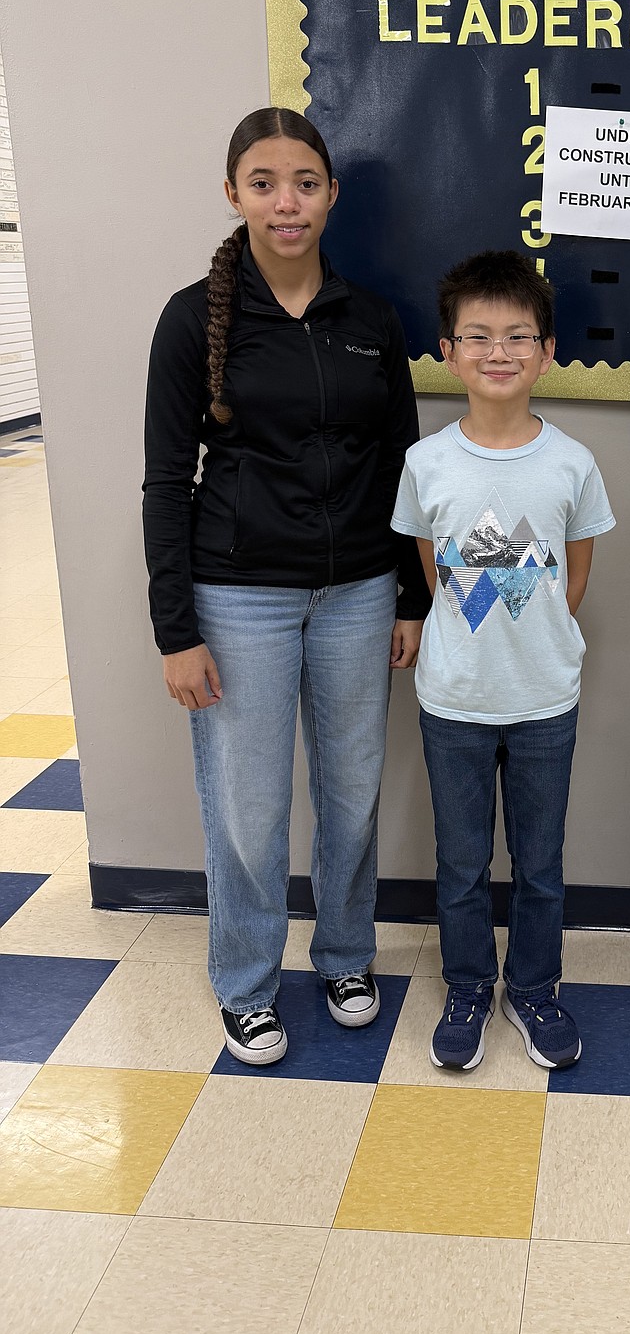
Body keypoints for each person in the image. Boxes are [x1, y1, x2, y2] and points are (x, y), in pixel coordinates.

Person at [143, 107, 428, 1066]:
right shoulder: (193, 320)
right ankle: (249, 983)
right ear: (234, 195)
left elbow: (402, 464)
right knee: (249, 807)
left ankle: (346, 957)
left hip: (356, 595)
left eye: (304, 181)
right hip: (238, 599)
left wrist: (410, 596)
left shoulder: (371, 321)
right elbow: (162, 480)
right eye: (263, 182)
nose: (286, 201)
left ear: (331, 194)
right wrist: (174, 628)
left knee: (352, 795)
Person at [392, 251, 615, 1072]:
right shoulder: (427, 463)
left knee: (541, 864)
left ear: (547, 350)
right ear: (447, 351)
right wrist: (479, 632)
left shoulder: (572, 463)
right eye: (477, 335)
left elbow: (575, 573)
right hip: (452, 698)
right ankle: (467, 986)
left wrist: (534, 635)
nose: (498, 351)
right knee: (458, 864)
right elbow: (432, 570)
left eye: (518, 336)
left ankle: (534, 988)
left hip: (545, 699)